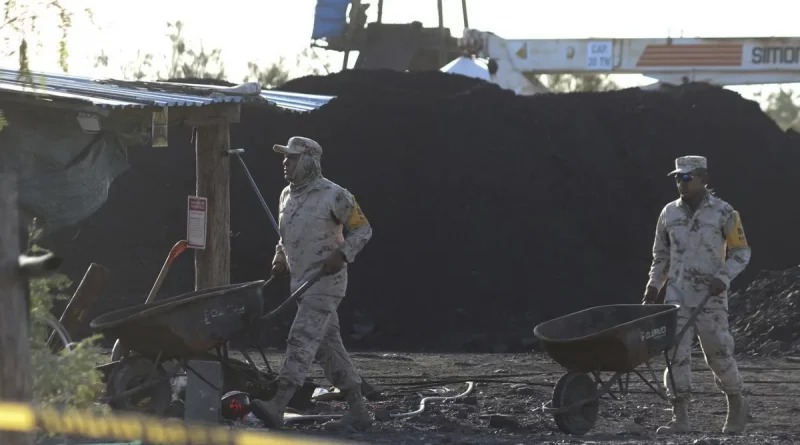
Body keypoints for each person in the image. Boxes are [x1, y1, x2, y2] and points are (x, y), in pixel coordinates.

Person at [251, 136, 373, 431]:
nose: (285, 162)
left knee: (301, 338)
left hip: (326, 283)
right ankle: (358, 410)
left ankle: (278, 404)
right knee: (328, 349)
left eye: (291, 158)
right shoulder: (286, 196)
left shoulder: (335, 195)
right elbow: (286, 236)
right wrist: (280, 258)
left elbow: (363, 229)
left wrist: (342, 254)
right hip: (301, 284)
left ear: (309, 161)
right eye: (285, 157)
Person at [643, 155, 750, 435]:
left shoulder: (725, 213)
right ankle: (680, 417)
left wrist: (723, 278)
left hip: (710, 298)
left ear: (704, 179)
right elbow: (661, 255)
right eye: (677, 177)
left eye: (687, 177)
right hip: (677, 297)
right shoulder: (669, 213)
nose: (681, 182)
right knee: (675, 355)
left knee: (718, 354)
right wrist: (654, 286)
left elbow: (741, 252)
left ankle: (736, 405)